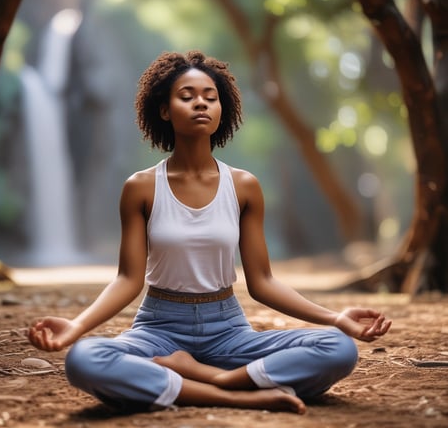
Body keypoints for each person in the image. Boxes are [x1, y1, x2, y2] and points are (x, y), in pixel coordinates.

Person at [28, 50, 391, 415]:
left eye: (210, 97)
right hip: (158, 329)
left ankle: (211, 378)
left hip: (229, 331)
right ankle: (237, 393)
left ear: (222, 111)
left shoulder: (244, 186)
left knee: (338, 347)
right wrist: (76, 327)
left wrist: (335, 318)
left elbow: (263, 282)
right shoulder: (140, 188)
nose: (200, 103)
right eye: (186, 96)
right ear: (165, 110)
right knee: (85, 359)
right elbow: (127, 279)